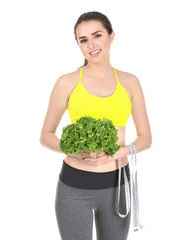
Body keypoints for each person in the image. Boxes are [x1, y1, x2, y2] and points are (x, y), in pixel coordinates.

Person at [40, 11, 152, 240]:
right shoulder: (67, 82)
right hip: (74, 188)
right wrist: (74, 150)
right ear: (78, 45)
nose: (91, 44)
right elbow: (46, 135)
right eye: (83, 40)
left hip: (118, 186)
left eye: (97, 35)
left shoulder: (130, 82)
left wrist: (116, 153)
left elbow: (145, 137)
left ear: (112, 36)